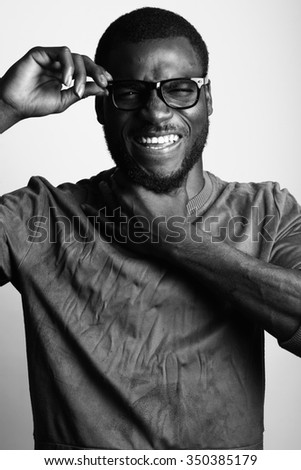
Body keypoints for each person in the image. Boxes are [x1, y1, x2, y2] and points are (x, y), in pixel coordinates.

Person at [0, 6, 300, 450]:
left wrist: (175, 239)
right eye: (130, 93)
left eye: (180, 89)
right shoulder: (40, 217)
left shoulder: (266, 210)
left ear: (209, 99)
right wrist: (3, 108)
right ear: (101, 105)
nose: (156, 113)